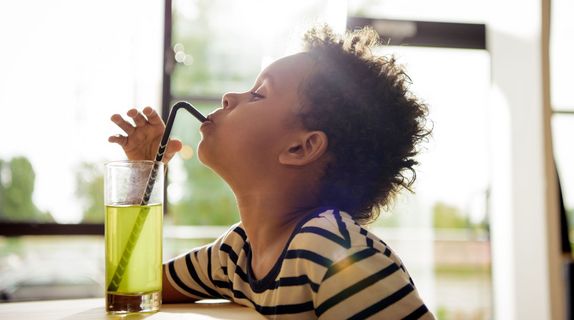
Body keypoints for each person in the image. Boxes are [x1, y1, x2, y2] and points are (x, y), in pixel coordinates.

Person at [109, 25, 434, 319]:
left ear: (300, 148)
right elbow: (132, 288)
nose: (229, 97)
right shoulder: (234, 255)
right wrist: (144, 173)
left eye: (258, 94)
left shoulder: (334, 252)